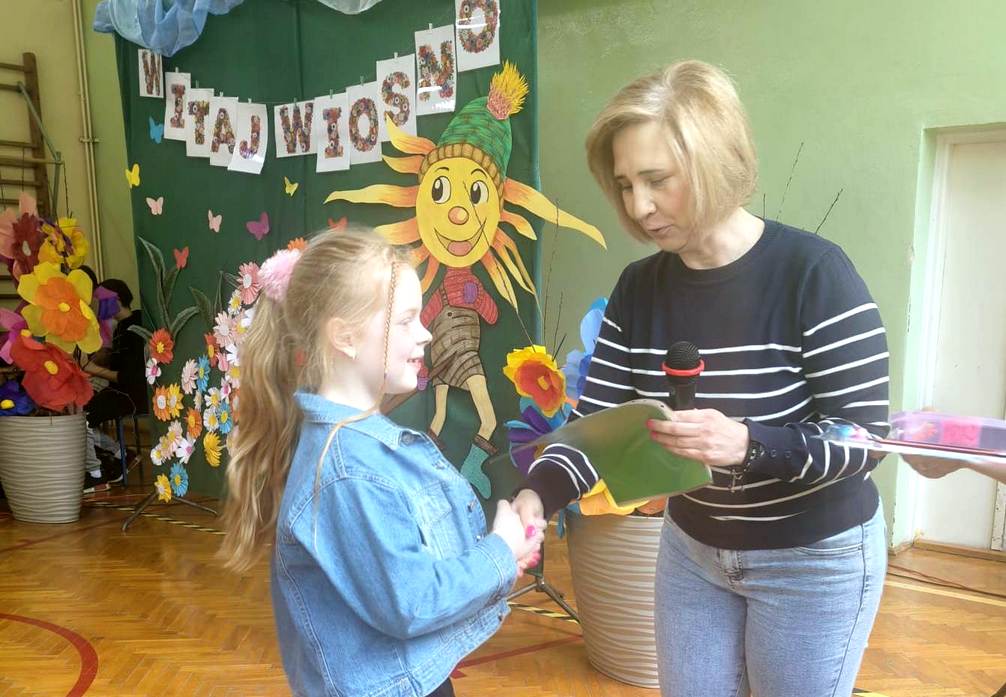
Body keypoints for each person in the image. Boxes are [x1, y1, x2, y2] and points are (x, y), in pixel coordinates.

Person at [511, 61, 890, 697]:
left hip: (812, 561)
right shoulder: (639, 287)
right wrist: (536, 498)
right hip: (693, 553)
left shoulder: (815, 275)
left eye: (657, 180)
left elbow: (866, 440)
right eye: (625, 185)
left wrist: (747, 443)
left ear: (714, 161)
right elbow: (592, 428)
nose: (639, 207)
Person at [218, 228, 545, 697]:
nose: (426, 333)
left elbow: (409, 564)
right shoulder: (348, 470)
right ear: (346, 337)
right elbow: (412, 601)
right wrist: (499, 550)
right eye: (406, 320)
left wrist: (502, 552)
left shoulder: (360, 448)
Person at [81, 279, 146, 488]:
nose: (98, 306)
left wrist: (93, 370)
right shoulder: (120, 329)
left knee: (82, 420)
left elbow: (129, 377)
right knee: (79, 414)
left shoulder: (135, 329)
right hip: (119, 392)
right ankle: (121, 454)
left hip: (131, 395)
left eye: (101, 300)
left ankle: (97, 472)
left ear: (116, 299)